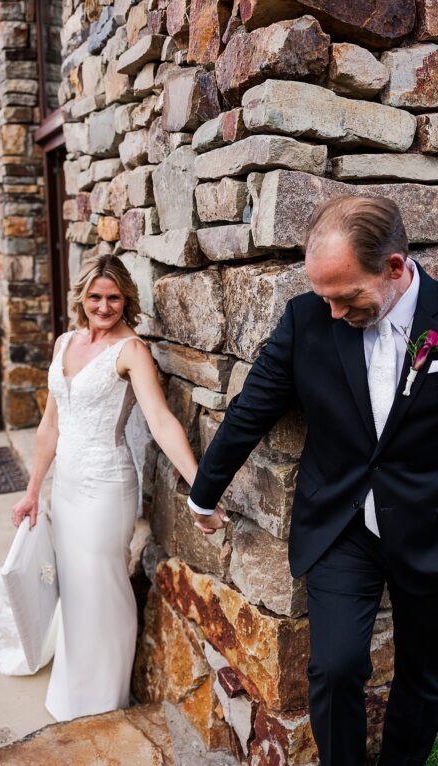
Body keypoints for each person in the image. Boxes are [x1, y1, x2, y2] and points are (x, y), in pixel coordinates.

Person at [188, 195, 438, 765]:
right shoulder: (305, 320)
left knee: (425, 677)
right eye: (323, 295)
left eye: (346, 296)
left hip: (428, 524)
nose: (331, 312)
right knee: (334, 667)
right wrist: (205, 492)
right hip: (343, 525)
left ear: (395, 269)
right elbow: (251, 410)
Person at [0, 254, 203, 722]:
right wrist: (32, 491)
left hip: (106, 487)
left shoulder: (131, 352)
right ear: (81, 299)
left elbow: (161, 421)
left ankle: (102, 699)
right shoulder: (65, 342)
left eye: (113, 298)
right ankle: (72, 687)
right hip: (64, 486)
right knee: (74, 587)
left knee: (101, 588)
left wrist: (199, 484)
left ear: (126, 299)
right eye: (95, 297)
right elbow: (50, 425)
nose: (104, 306)